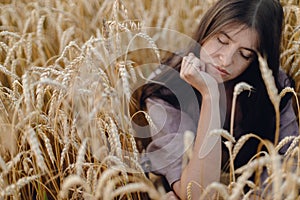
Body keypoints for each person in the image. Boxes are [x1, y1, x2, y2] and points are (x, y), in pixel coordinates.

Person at [133, 0, 299, 199]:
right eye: (222, 40)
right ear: (207, 29)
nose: (226, 60)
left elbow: (285, 175)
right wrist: (210, 95)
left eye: (245, 54)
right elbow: (196, 193)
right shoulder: (166, 89)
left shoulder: (274, 87)